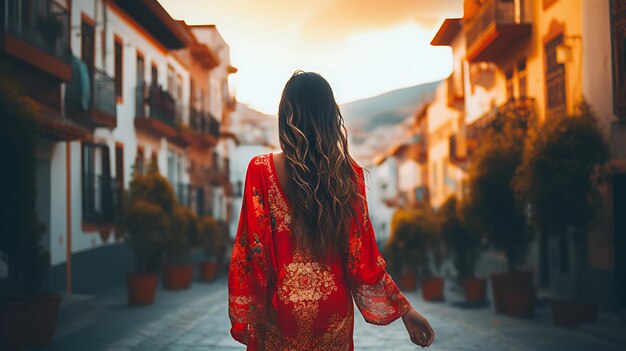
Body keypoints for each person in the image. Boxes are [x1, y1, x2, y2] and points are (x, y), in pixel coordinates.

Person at [228, 71, 434, 350]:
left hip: (281, 312)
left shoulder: (260, 170)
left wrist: (254, 316)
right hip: (332, 313)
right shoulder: (350, 176)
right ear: (330, 117)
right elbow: (364, 262)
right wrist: (405, 311)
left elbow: (251, 252)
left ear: (285, 115)